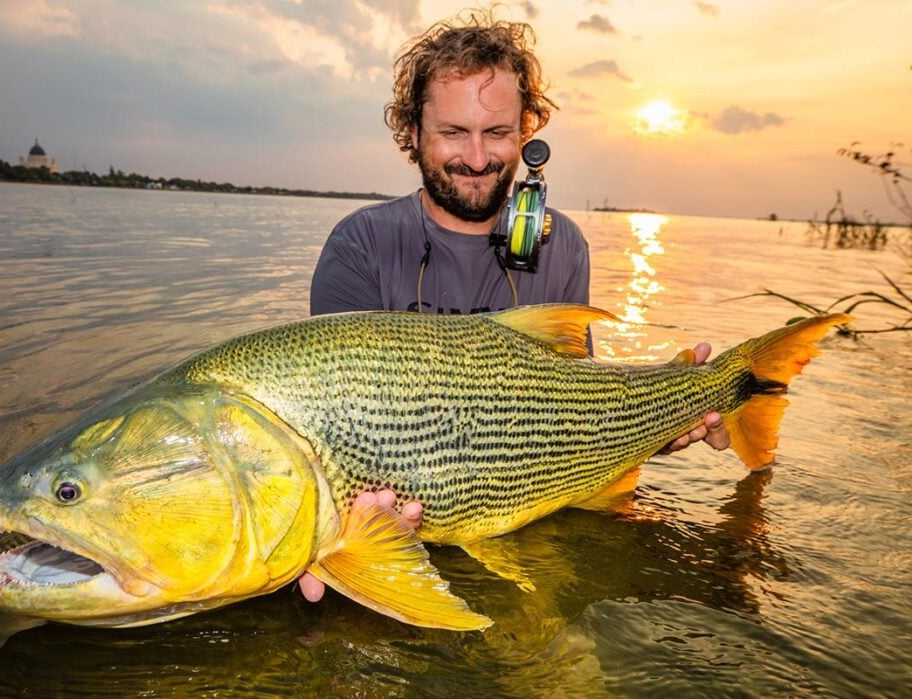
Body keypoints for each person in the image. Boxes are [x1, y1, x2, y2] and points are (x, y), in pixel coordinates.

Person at [300, 11, 728, 603]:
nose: (476, 158)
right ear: (413, 133)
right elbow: (335, 428)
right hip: (394, 534)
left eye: (497, 133)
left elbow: (571, 405)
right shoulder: (359, 246)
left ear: (526, 134)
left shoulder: (564, 245)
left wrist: (666, 413)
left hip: (524, 521)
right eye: (453, 132)